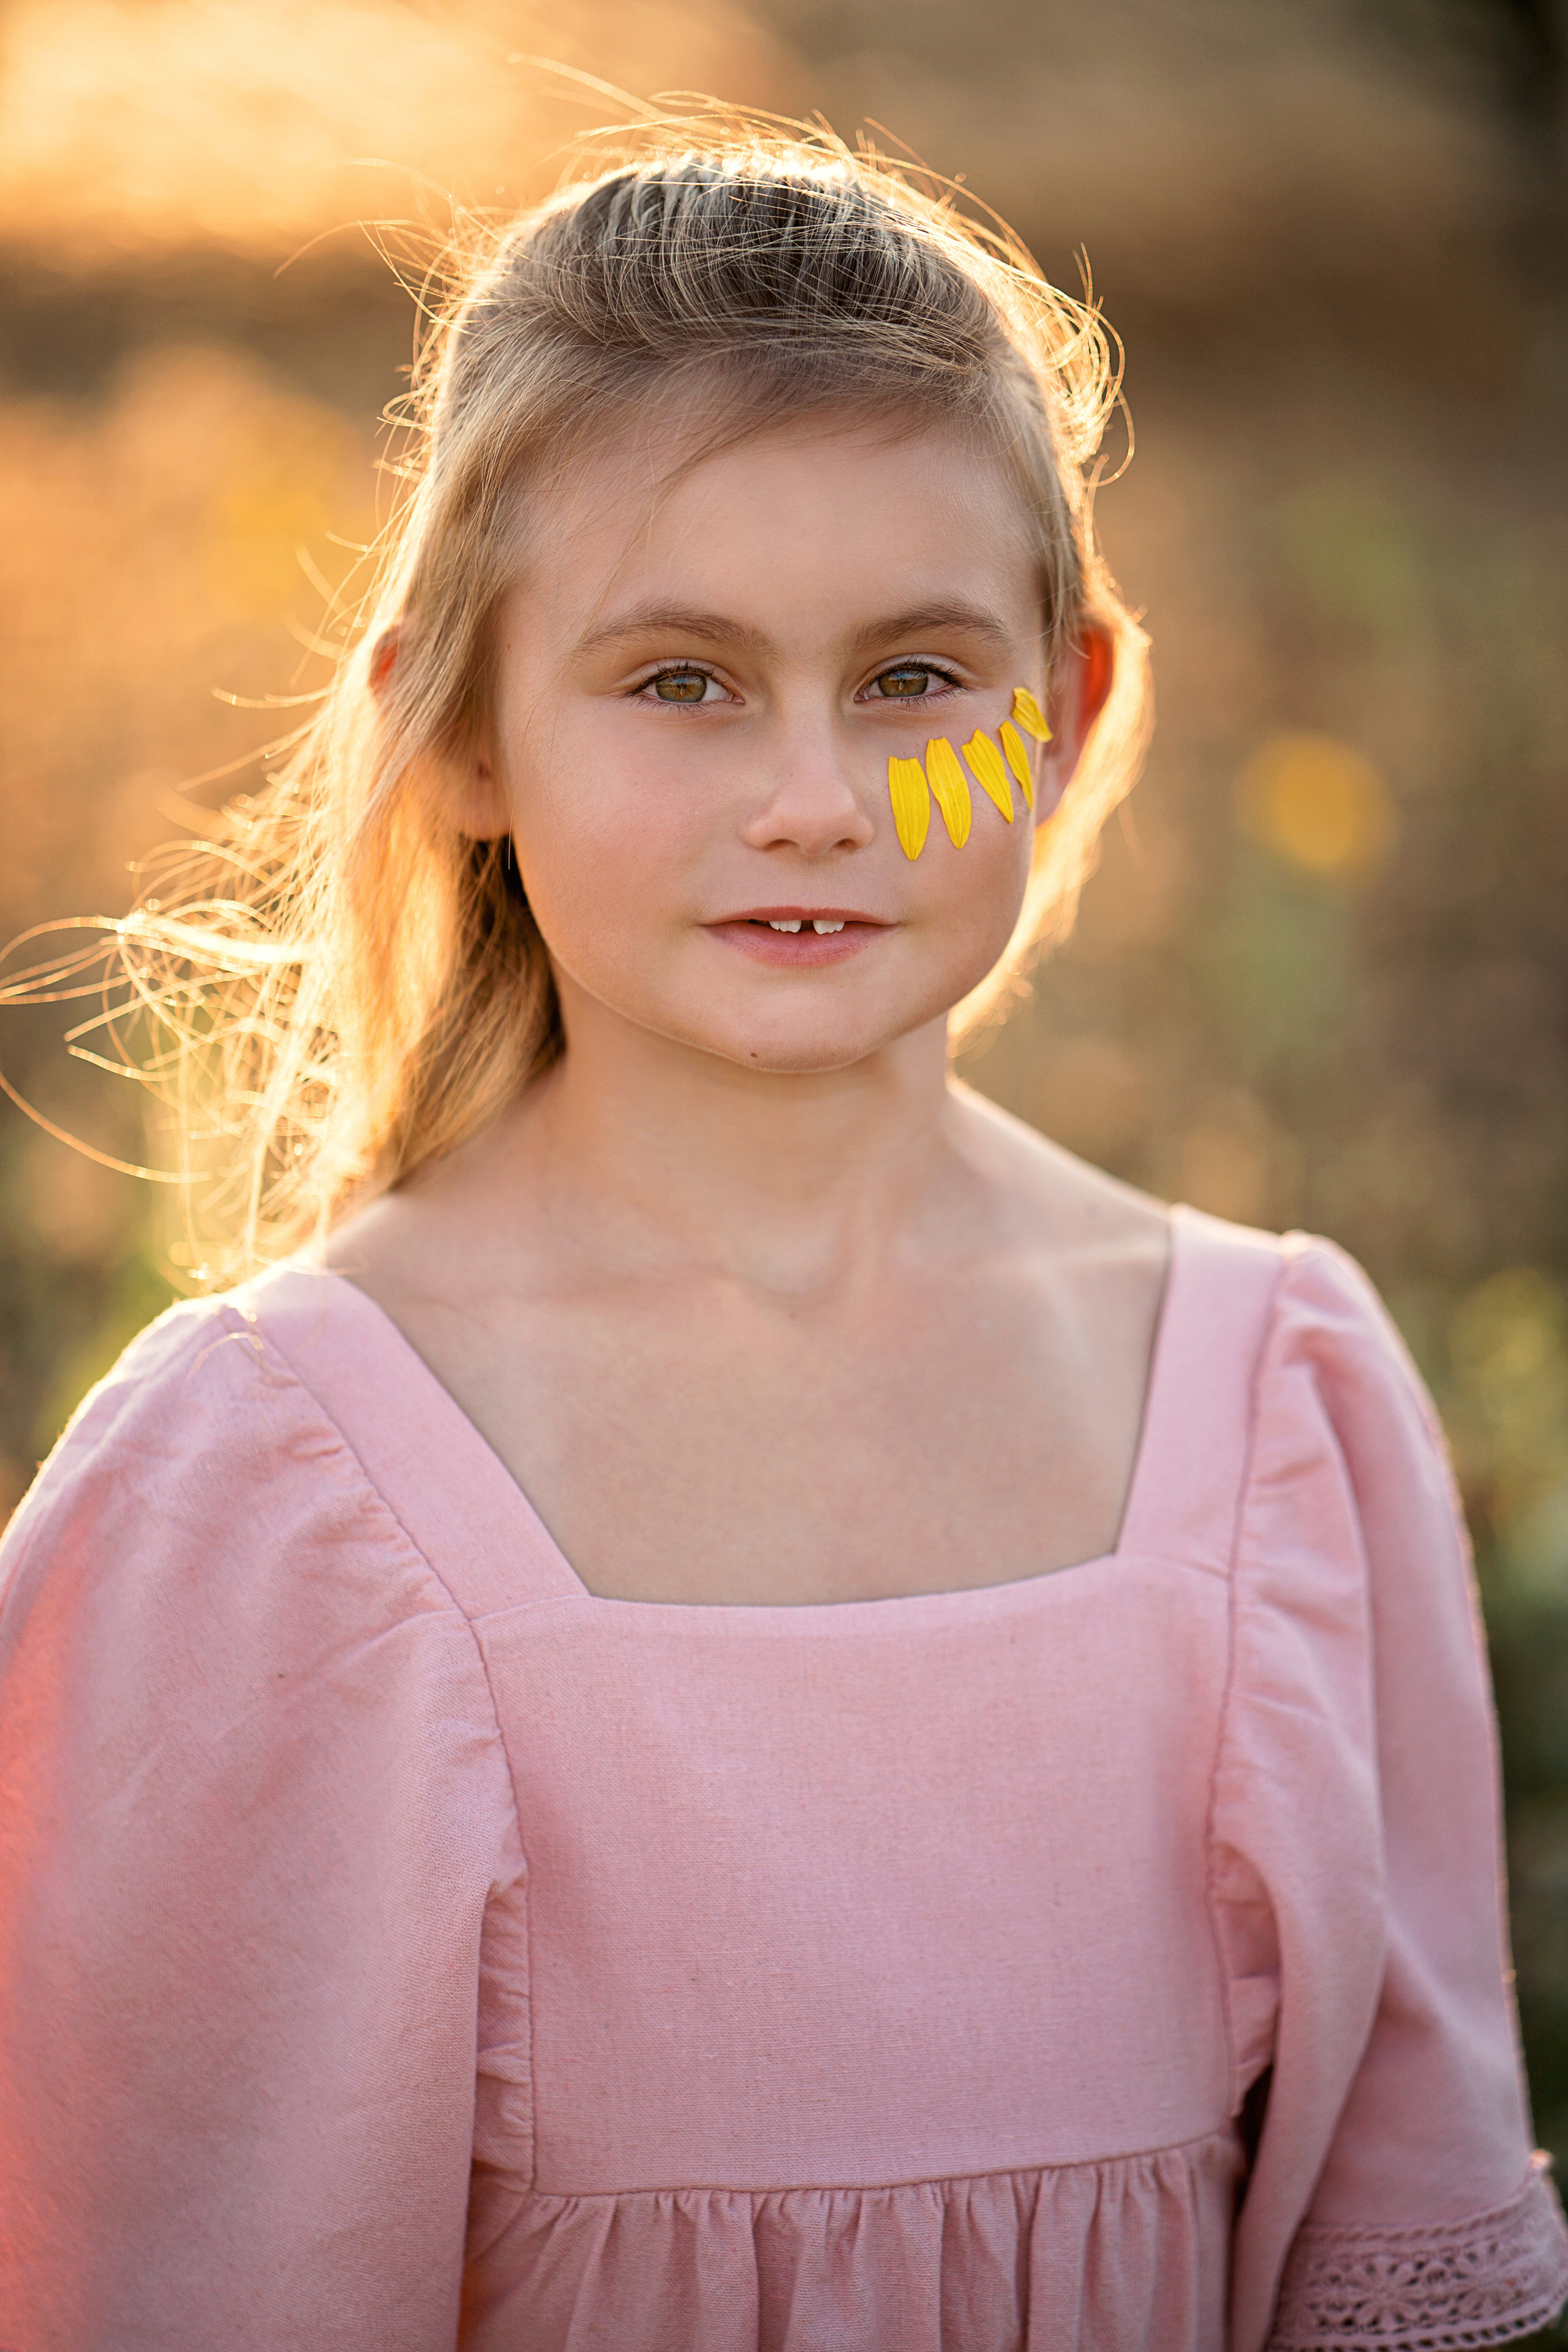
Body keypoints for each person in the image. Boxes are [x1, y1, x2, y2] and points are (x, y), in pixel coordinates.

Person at [0, 113, 1564, 2352]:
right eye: (679, 681)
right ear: (461, 735)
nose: (814, 794)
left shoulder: (1284, 1414)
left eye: (918, 677)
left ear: (1065, 717)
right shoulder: (267, 1498)